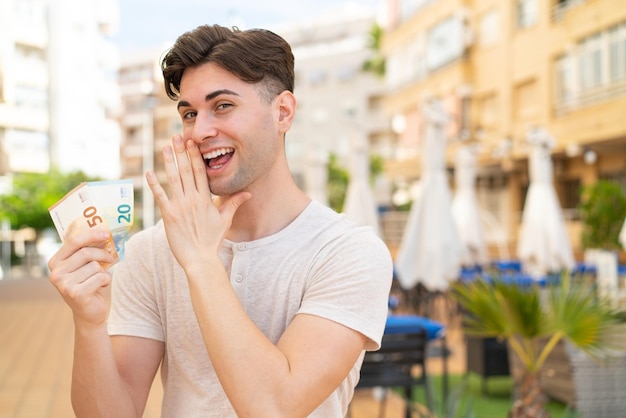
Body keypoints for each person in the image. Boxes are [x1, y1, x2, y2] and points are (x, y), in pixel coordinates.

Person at [48, 24, 393, 418]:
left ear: (282, 112)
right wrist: (89, 322)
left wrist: (200, 262)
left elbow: (275, 407)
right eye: (190, 113)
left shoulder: (349, 253)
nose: (200, 131)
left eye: (223, 106)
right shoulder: (151, 252)